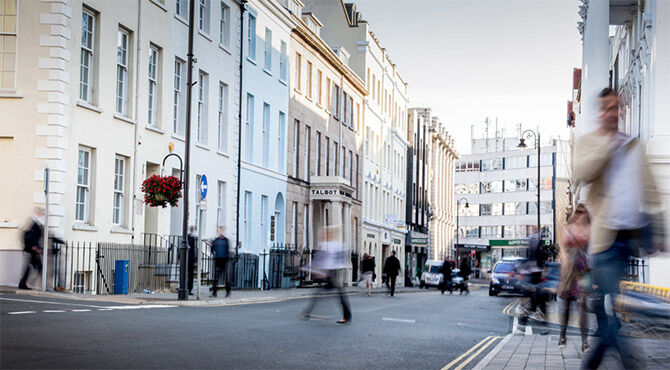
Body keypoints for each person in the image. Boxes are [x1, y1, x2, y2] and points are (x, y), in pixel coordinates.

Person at [575, 88, 662, 369]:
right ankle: (632, 365)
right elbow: (582, 173)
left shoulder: (635, 146)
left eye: (616, 107)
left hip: (630, 241)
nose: (612, 113)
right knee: (617, 314)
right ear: (600, 112)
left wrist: (658, 229)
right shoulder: (589, 142)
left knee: (616, 316)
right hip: (605, 242)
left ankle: (592, 364)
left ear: (622, 110)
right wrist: (608, 147)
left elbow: (649, 189)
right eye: (607, 108)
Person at [301, 226, 351, 324]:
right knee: (336, 294)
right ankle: (347, 316)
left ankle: (307, 312)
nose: (322, 235)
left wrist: (321, 271)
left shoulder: (331, 245)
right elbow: (319, 260)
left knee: (336, 294)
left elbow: (323, 260)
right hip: (331, 272)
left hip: (332, 272)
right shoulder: (334, 245)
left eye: (325, 233)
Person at [557, 204, 590, 350]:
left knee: (583, 304)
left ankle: (585, 341)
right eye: (580, 212)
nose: (582, 215)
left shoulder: (589, 229)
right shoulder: (568, 228)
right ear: (576, 213)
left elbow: (592, 250)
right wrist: (565, 263)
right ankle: (562, 336)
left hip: (584, 270)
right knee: (567, 305)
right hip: (570, 270)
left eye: (584, 212)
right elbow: (563, 249)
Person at [18, 208, 45, 290]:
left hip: (31, 250)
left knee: (35, 266)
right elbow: (29, 236)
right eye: (42, 214)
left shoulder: (37, 224)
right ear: (38, 214)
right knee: (33, 266)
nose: (43, 216)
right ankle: (25, 283)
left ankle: (25, 283)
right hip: (30, 250)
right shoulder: (34, 224)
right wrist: (34, 247)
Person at [210, 227, 231, 297]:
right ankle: (214, 293)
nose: (220, 232)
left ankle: (228, 291)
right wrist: (214, 253)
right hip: (217, 260)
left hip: (224, 260)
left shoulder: (226, 240)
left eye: (222, 231)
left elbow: (227, 250)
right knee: (215, 278)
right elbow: (212, 249)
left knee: (226, 277)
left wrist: (227, 258)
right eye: (219, 231)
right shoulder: (216, 240)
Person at [187, 226, 197, 296]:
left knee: (190, 275)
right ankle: (188, 289)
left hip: (190, 259)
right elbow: (194, 250)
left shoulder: (191, 238)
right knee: (189, 275)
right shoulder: (190, 238)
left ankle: (189, 289)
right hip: (189, 259)